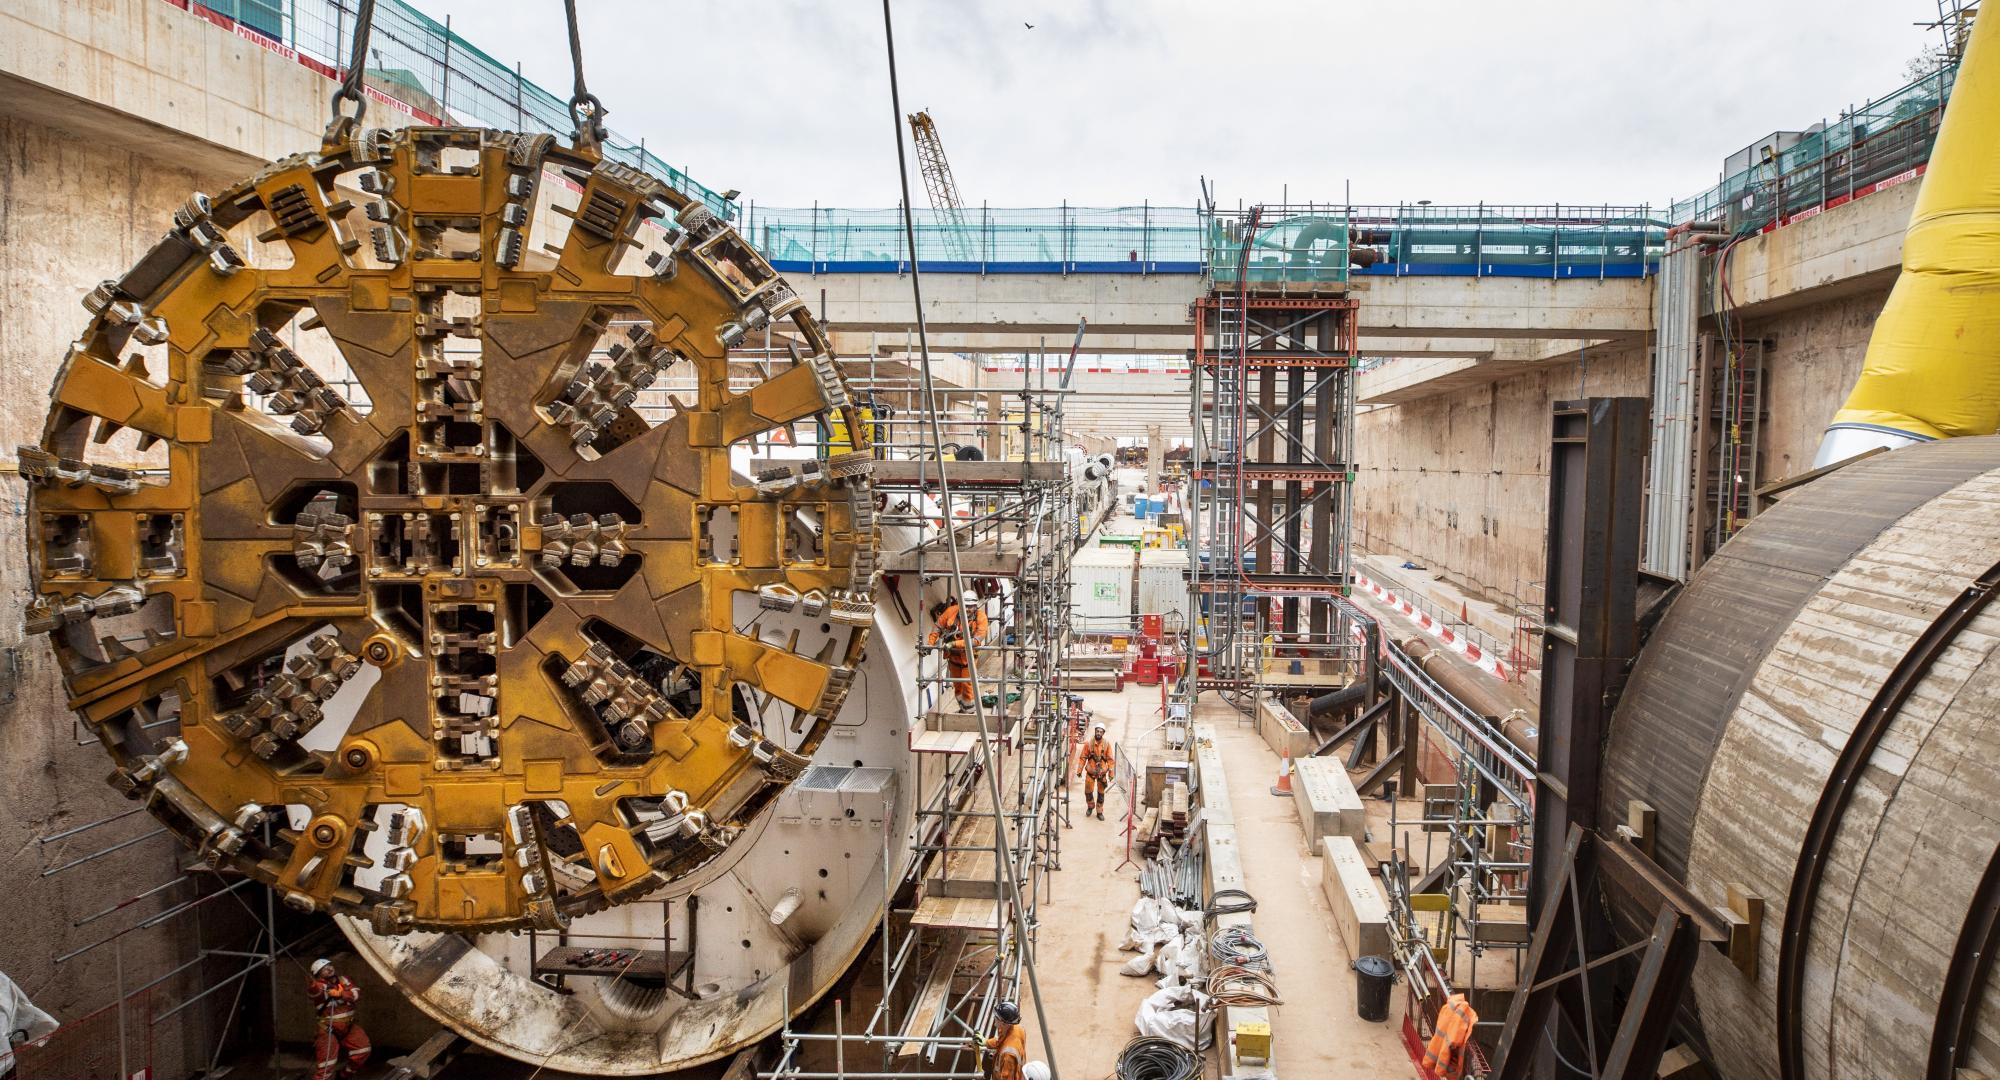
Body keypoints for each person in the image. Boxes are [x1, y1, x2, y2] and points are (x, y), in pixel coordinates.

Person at [307, 958, 370, 1080]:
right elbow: (314, 993)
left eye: (330, 965)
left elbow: (356, 995)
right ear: (318, 974)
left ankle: (344, 1075)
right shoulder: (320, 986)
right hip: (328, 1030)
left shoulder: (343, 980)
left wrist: (341, 994)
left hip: (349, 1026)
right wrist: (312, 985)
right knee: (326, 1066)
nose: (329, 968)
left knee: (363, 1050)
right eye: (324, 969)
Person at [927, 592, 989, 711]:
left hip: (968, 659)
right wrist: (930, 643)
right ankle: (964, 708)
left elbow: (976, 641)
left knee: (967, 685)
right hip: (953, 658)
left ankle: (969, 712)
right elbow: (938, 626)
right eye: (965, 606)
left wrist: (954, 643)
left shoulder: (981, 618)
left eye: (970, 606)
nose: (967, 609)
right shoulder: (951, 612)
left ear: (975, 606)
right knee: (957, 687)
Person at [1079, 721, 1114, 820]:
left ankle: (1099, 812)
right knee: (1088, 792)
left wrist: (1111, 773)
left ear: (1103, 733)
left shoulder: (1106, 744)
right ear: (1095, 731)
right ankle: (1090, 807)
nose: (1098, 733)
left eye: (1100, 732)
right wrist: (1079, 770)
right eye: (1097, 731)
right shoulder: (1089, 744)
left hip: (1101, 774)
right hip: (1090, 772)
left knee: (1101, 794)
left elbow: (1110, 760)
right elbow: (1083, 757)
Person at [984, 1000, 1027, 1080]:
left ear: (1004, 1023)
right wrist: (985, 1042)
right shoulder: (1017, 1029)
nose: (994, 1018)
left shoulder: (1008, 1055)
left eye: (996, 1017)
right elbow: (1000, 1040)